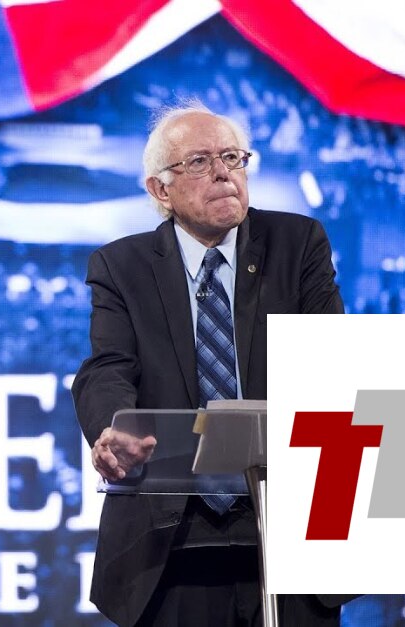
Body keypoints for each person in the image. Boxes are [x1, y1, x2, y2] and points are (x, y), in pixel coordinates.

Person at [71, 100, 349, 626]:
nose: (223, 173)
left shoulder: (296, 244)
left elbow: (329, 355)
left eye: (232, 157)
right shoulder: (121, 265)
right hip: (172, 540)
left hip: (288, 525)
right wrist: (113, 428)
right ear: (160, 190)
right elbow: (107, 368)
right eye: (199, 161)